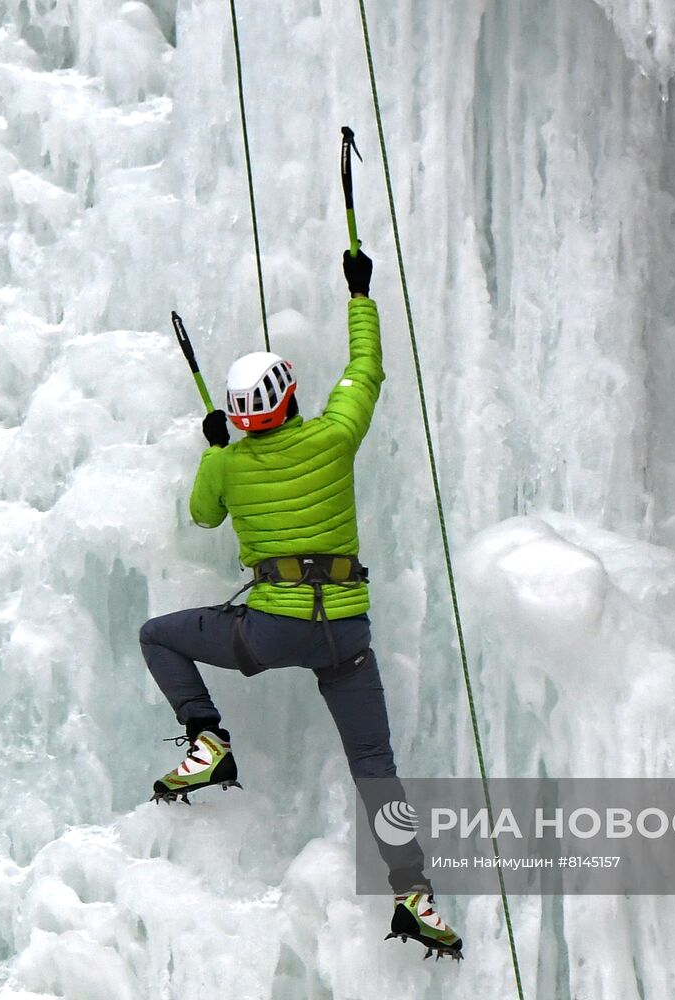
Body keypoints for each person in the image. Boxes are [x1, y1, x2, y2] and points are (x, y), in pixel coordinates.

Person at [138, 249, 462, 959]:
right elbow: (364, 372)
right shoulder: (332, 436)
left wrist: (215, 449)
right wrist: (358, 293)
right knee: (374, 763)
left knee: (158, 635)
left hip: (271, 632)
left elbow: (201, 517)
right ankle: (413, 893)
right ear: (287, 399)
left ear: (236, 414)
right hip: (343, 634)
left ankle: (208, 740)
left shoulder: (226, 460)